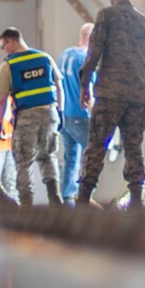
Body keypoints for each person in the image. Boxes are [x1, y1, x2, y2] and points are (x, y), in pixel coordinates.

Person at [75, 0, 145, 209]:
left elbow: (94, 53)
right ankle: (136, 200)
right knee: (134, 147)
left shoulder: (106, 16)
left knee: (97, 145)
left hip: (110, 94)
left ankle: (83, 199)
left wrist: (84, 85)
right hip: (137, 96)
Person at [0, 27, 64, 206]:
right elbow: (59, 85)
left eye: (3, 46)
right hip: (50, 113)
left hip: (27, 117)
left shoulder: (8, 65)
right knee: (48, 156)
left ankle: (27, 205)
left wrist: (0, 122)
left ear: (11, 41)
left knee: (23, 161)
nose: (4, 50)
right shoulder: (44, 57)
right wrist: (61, 112)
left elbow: (1, 99)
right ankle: (56, 200)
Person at [55, 24, 93, 202]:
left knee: (71, 157)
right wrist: (94, 112)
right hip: (80, 114)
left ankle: (68, 197)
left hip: (64, 115)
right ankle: (86, 195)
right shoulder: (86, 58)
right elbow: (88, 90)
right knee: (92, 154)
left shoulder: (65, 54)